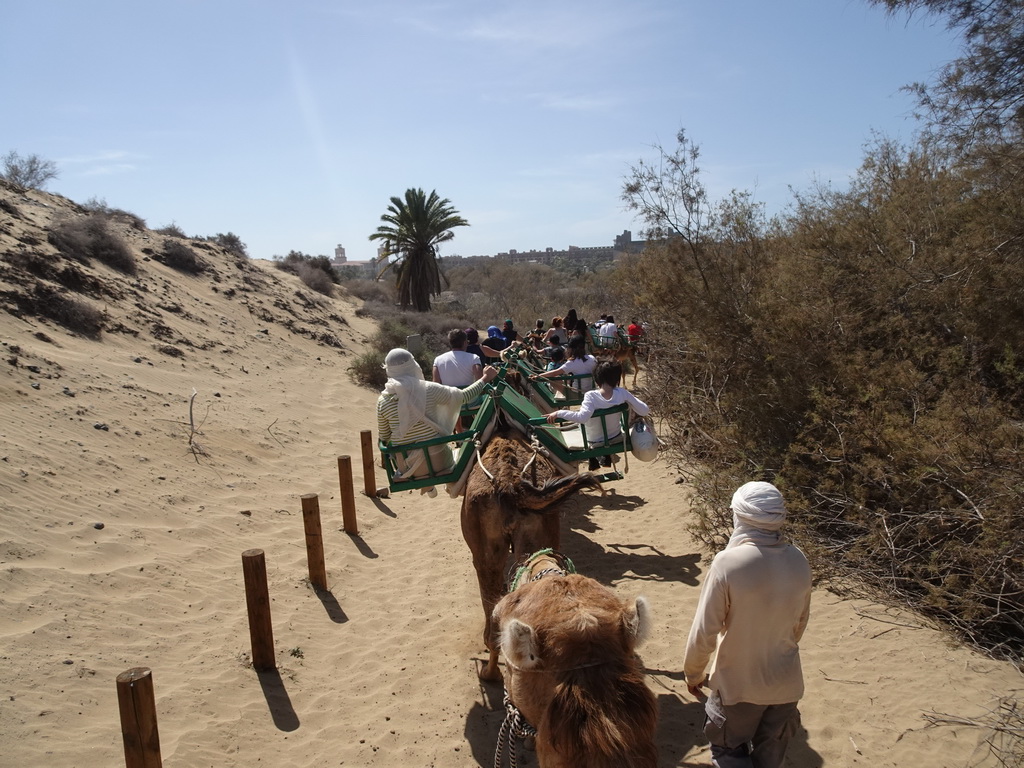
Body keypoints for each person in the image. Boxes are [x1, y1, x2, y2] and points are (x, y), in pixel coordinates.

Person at [683, 481, 812, 768]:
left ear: (739, 516)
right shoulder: (799, 560)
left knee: (728, 753)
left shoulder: (728, 563)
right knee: (770, 760)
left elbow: (705, 631)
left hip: (737, 688)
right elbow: (799, 626)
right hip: (786, 686)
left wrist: (693, 675)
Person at [377, 348, 498, 495]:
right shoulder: (429, 389)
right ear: (413, 365)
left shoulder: (382, 401)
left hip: (406, 469)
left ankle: (428, 486)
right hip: (440, 463)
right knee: (457, 452)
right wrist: (485, 378)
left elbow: (384, 436)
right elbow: (464, 396)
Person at [543, 360, 648, 471]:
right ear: (618, 380)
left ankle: (593, 458)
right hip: (614, 436)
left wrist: (559, 413)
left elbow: (582, 418)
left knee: (582, 425)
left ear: (597, 380)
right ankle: (604, 457)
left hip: (594, 440)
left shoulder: (591, 396)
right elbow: (644, 410)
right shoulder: (622, 393)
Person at [529, 336, 597, 398]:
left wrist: (538, 376)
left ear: (571, 349)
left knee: (553, 379)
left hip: (578, 394)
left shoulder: (572, 362)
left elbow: (554, 373)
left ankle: (554, 394)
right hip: (591, 391)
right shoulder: (593, 358)